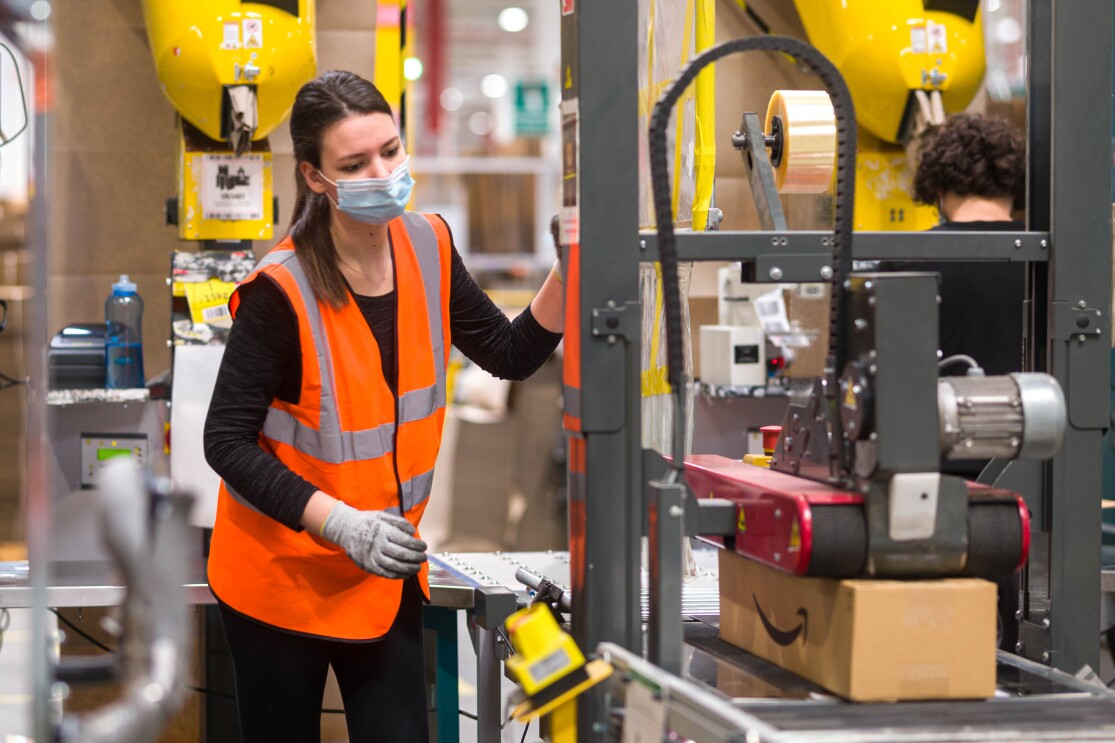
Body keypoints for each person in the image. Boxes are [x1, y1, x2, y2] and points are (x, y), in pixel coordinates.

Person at [203, 70, 563, 743]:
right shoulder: (280, 291)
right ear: (314, 177)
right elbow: (225, 441)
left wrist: (569, 268)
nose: (382, 172)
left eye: (390, 151)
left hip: (382, 572)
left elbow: (509, 353)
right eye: (355, 164)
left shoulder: (428, 244)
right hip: (280, 578)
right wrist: (341, 523)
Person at [906, 112, 1027, 377]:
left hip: (938, 405)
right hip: (1041, 404)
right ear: (1014, 184)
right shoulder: (1048, 258)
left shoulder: (904, 261)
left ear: (938, 187)